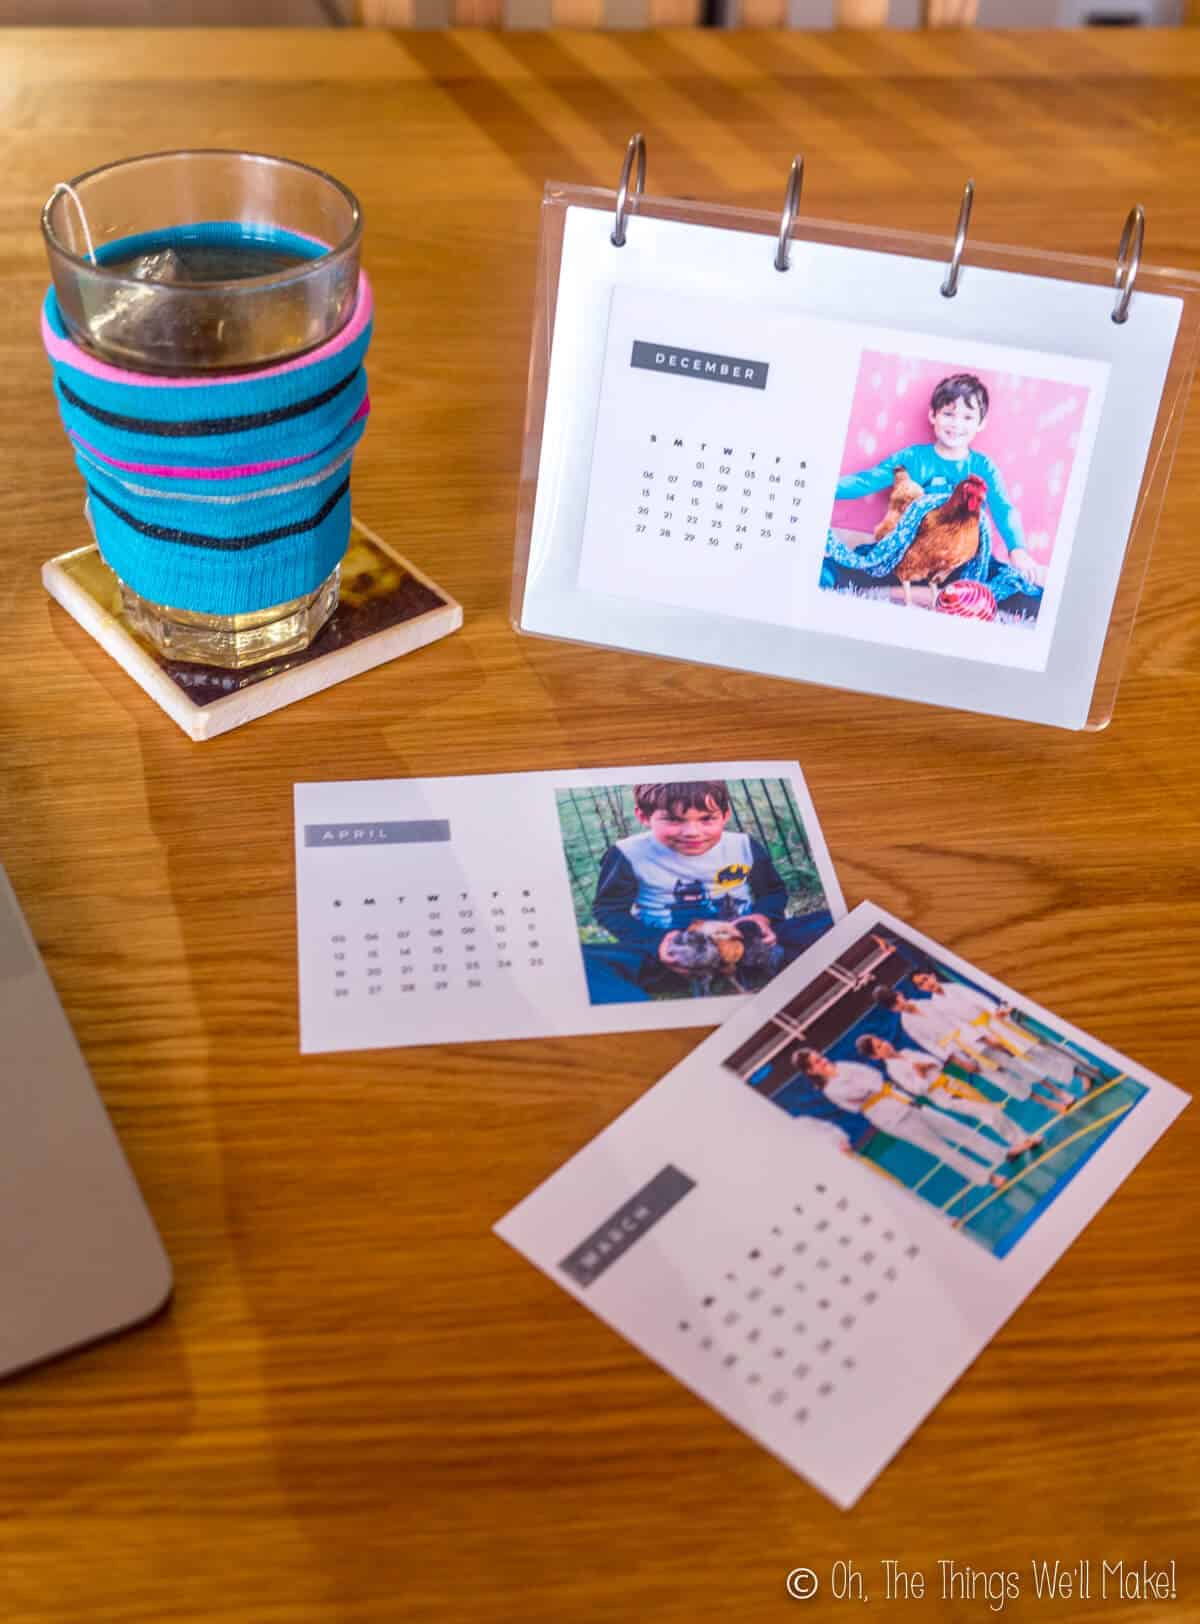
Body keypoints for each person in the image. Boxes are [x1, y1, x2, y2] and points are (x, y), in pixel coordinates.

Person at [580, 780, 832, 1004]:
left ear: (724, 815)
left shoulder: (743, 845)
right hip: (673, 957)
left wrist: (761, 918)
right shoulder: (627, 854)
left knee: (831, 921)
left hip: (746, 945)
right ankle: (634, 1013)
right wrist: (657, 943)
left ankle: (778, 968)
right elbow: (609, 910)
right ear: (644, 817)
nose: (692, 832)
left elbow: (772, 893)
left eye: (707, 818)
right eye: (674, 819)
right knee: (581, 961)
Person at [791, 1047, 1006, 1189]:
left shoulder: (844, 1066)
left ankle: (1001, 1154)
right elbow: (858, 1095)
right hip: (892, 1119)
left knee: (958, 1130)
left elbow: (874, 1077)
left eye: (821, 1056)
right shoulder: (831, 1089)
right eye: (817, 1062)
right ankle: (987, 1178)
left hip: (906, 1101)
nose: (824, 1061)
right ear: (811, 1071)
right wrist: (860, 1085)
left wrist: (864, 1086)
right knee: (941, 1149)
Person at [873, 985, 1073, 1113]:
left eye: (896, 1000)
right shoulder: (908, 1024)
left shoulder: (928, 1003)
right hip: (961, 1054)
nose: (898, 1006)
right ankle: (1052, 1105)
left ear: (900, 994)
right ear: (891, 1010)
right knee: (1004, 1080)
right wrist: (959, 1061)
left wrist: (986, 1038)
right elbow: (931, 1046)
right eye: (893, 1007)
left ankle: (1060, 1093)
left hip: (977, 1040)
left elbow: (959, 1019)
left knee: (1019, 1065)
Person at [911, 969, 1089, 1098]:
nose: (927, 984)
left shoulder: (955, 987)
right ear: (920, 990)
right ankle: (1079, 1074)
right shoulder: (937, 1005)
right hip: (987, 1032)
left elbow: (980, 1000)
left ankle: (1084, 1066)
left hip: (998, 1020)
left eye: (926, 979)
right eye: (922, 984)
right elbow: (960, 1026)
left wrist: (997, 1011)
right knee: (1032, 1057)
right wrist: (985, 1039)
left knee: (1041, 1046)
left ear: (932, 976)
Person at [855, 1034, 1040, 1157]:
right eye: (879, 1048)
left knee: (990, 1109)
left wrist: (927, 1066)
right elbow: (917, 1090)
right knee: (990, 1114)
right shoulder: (893, 1070)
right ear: (875, 1057)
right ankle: (1019, 1142)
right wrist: (920, 1074)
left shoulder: (907, 1052)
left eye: (882, 1041)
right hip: (944, 1096)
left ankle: (1023, 1138)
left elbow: (935, 1061)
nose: (885, 1046)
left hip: (952, 1083)